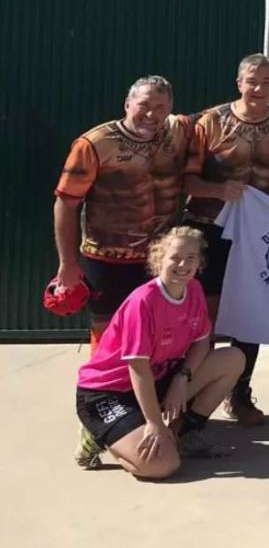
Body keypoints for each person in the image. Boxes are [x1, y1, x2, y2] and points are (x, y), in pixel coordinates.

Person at [184, 53, 269, 426]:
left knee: (251, 315)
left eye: (267, 82)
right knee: (206, 313)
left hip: (259, 233)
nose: (259, 88)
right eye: (252, 81)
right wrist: (217, 190)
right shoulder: (211, 122)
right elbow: (185, 180)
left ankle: (239, 392)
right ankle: (196, 392)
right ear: (239, 83)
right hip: (210, 227)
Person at [74, 227, 244, 477]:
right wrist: (154, 424)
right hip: (108, 392)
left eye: (191, 258)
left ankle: (185, 435)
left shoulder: (193, 289)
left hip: (157, 380)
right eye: (175, 257)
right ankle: (97, 436)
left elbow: (201, 340)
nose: (183, 265)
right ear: (158, 259)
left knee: (232, 359)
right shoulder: (143, 301)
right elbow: (138, 368)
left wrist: (181, 378)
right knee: (163, 465)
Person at [53, 76, 199, 353]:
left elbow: (217, 117)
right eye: (144, 105)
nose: (151, 114)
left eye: (160, 107)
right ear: (127, 104)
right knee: (108, 340)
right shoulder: (96, 143)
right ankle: (102, 383)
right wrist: (67, 263)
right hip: (107, 260)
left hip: (158, 260)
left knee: (156, 337)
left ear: (170, 109)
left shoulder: (177, 131)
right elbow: (65, 204)